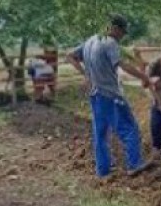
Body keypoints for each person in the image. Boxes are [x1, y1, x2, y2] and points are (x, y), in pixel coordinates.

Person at [66, 14, 154, 178]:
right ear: (114, 28)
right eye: (122, 32)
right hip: (110, 95)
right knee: (130, 129)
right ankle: (134, 164)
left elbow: (69, 55)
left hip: (95, 94)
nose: (122, 36)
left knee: (100, 133)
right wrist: (145, 77)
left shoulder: (91, 41)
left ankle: (102, 170)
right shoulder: (110, 42)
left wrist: (86, 74)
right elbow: (123, 65)